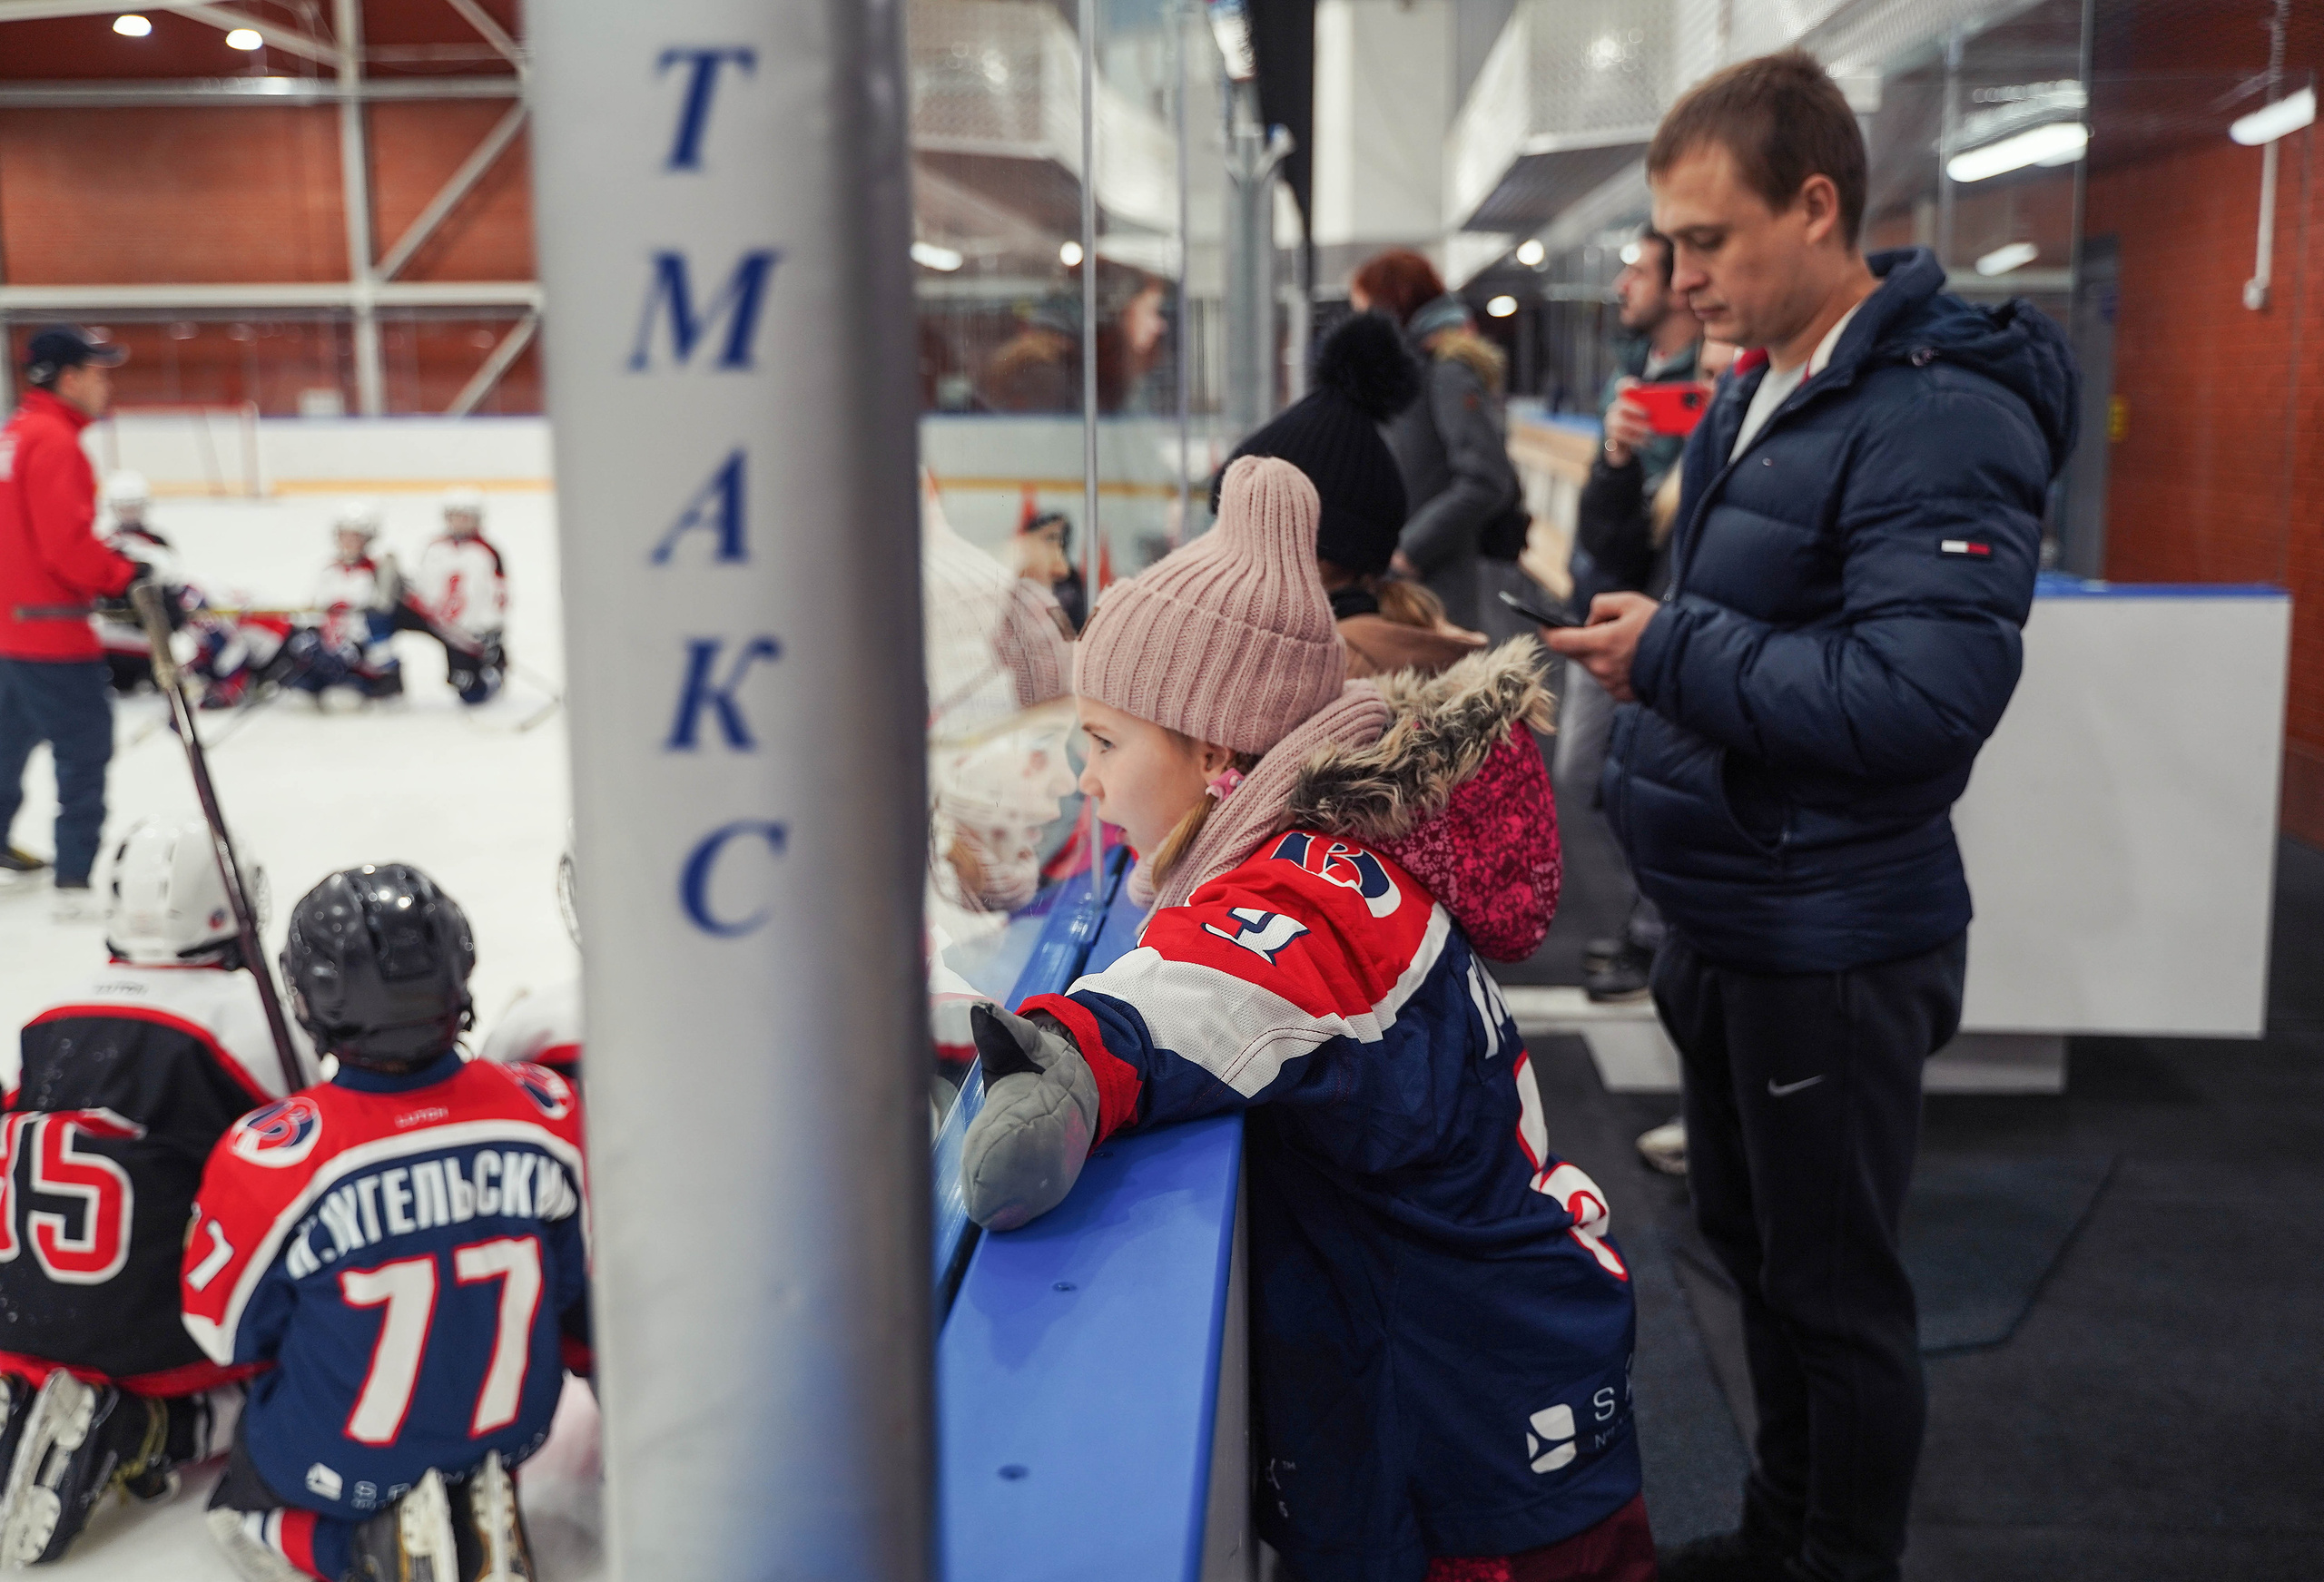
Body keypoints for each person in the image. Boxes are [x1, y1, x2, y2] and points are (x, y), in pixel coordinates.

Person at [1543, 52, 2075, 1582]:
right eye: (1669, 242)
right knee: (1759, 1260)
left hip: (1828, 931)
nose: (1679, 276)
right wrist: (1658, 623)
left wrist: (1672, 651)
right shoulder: (1765, 381)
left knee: (1835, 1297)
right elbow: (1750, 621)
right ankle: (1784, 1535)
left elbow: (1919, 701)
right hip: (1737, 908)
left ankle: (1838, 1559)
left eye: (1707, 238)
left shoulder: (1938, 416)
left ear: (1818, 205)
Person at [960, 457, 1646, 1582]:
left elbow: (1195, 998)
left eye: (1104, 743)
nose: (1086, 782)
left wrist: (1065, 1063)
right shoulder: (1328, 851)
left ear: (1215, 756)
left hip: (1474, 1429)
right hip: (1501, 1358)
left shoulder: (1303, 896)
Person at [182, 864, 588, 1582]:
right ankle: (473, 1496)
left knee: (239, 1499)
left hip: (347, 1454)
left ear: (311, 998)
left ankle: (368, 1545)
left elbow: (225, 1335)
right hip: (519, 1426)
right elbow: (568, 1287)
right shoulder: (549, 1109)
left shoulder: (271, 1155)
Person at [0, 818, 304, 1565]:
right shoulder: (250, 1020)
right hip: (151, 1334)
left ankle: (27, 1387)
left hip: (19, 1309)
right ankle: (146, 1427)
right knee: (294, 1376)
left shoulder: (48, 1014)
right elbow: (310, 1167)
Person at [1222, 310, 1486, 680]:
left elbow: (1487, 479)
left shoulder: (1322, 674)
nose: (1225, 559)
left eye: (1242, 534)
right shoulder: (1380, 648)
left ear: (1306, 550)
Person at [0, 326, 141, 916]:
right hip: (51, 633)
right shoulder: (56, 441)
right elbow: (67, 546)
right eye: (99, 373)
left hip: (11, 628)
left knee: (9, 742)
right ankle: (75, 881)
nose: (107, 385)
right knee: (84, 751)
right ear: (69, 377)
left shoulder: (15, 432)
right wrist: (125, 576)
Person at [1348, 251, 1531, 635]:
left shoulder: (1446, 372)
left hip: (1442, 580)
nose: (1360, 323)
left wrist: (1410, 550)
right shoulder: (1412, 369)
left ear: (1391, 305)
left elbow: (1486, 478)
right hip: (1419, 578)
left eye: (1365, 309)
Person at [409, 487, 508, 705]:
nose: (460, 522)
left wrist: (490, 628)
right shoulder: (434, 547)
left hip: (465, 631)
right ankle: (379, 674)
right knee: (386, 613)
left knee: (469, 691)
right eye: (455, 516)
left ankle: (494, 672)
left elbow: (498, 596)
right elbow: (423, 583)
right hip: (436, 620)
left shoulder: (487, 551)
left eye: (466, 517)